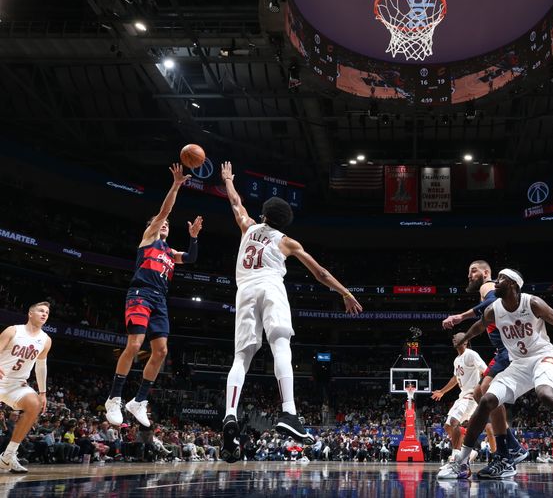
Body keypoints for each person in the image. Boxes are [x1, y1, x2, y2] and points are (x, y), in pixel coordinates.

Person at [218, 161, 362, 462]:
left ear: (264, 215)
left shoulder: (247, 226)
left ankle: (230, 415)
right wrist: (345, 292)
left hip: (244, 291)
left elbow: (235, 202)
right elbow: (320, 273)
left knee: (241, 358)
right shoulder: (286, 241)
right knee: (281, 344)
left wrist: (229, 179)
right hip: (271, 287)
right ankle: (289, 412)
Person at [438, 269, 553, 479]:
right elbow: (478, 327)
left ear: (514, 285)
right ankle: (461, 463)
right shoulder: (494, 309)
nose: (496, 283)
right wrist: (463, 338)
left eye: (502, 280)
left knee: (544, 394)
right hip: (518, 365)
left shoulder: (533, 303)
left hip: (543, 358)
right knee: (486, 399)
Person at [105, 164, 203, 428]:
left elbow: (191, 258)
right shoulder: (148, 239)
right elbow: (165, 211)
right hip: (141, 293)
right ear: (153, 227)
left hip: (160, 299)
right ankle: (114, 397)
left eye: (168, 226)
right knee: (135, 345)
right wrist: (176, 185)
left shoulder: (170, 253)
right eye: (162, 224)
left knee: (161, 351)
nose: (165, 226)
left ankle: (138, 401)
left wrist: (193, 238)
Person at [441, 260, 527, 465]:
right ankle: (513, 447)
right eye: (469, 272)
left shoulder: (487, 285)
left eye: (473, 271)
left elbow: (490, 303)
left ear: (486, 272)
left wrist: (460, 316)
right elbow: (488, 315)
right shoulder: (488, 293)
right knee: (481, 394)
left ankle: (507, 450)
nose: (470, 275)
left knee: (487, 392)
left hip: (508, 349)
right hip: (502, 350)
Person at [0, 301, 53, 473]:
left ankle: (8, 456)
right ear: (30, 314)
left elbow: (41, 366)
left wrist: (43, 392)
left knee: (35, 404)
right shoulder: (13, 330)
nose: (44, 314)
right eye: (41, 310)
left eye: (47, 312)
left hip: (17, 385)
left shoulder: (45, 340)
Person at [431, 333, 487, 459]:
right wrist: (442, 391)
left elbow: (486, 371)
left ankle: (457, 456)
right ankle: (468, 452)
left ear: (465, 341)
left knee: (454, 421)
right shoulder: (457, 360)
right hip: (462, 396)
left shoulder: (471, 354)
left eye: (457, 337)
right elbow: (456, 378)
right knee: (447, 426)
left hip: (471, 396)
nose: (454, 338)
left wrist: (480, 389)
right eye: (453, 337)